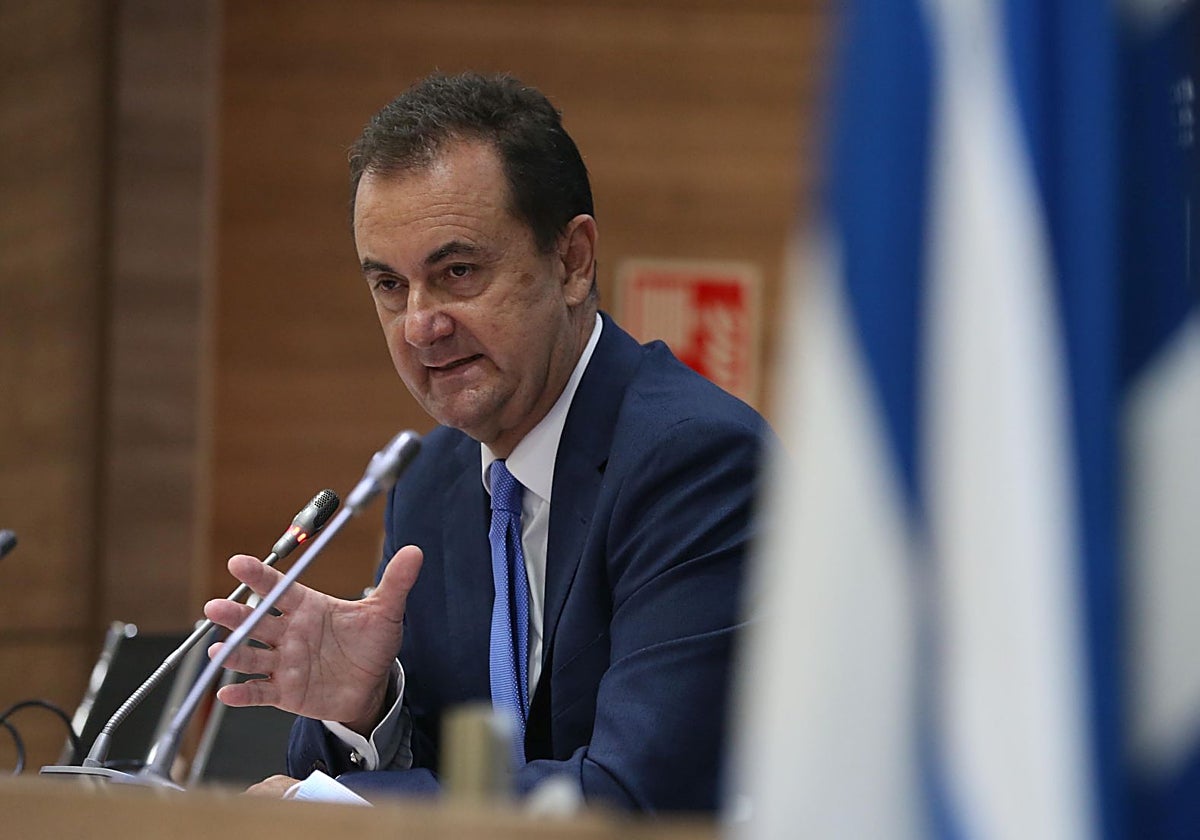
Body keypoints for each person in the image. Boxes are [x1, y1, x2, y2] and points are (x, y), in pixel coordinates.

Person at [204, 72, 773, 812]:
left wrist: (358, 809)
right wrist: (364, 710)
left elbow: (638, 796)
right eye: (389, 286)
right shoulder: (432, 478)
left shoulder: (696, 462)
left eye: (458, 271)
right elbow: (440, 774)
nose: (419, 324)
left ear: (571, 261)